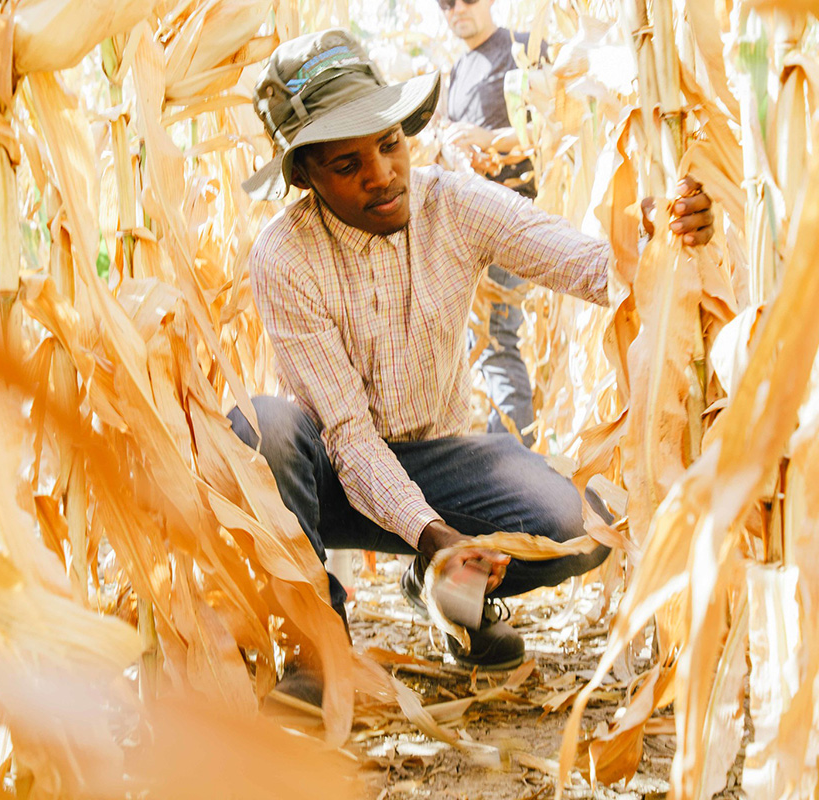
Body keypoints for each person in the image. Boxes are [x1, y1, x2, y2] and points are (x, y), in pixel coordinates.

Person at [235, 30, 714, 682]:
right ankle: (317, 640)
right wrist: (435, 538)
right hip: (326, 475)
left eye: (389, 143)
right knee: (263, 428)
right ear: (305, 177)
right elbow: (347, 435)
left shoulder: (453, 204)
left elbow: (593, 268)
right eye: (347, 166)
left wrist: (657, 237)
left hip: (438, 458)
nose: (381, 175)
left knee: (577, 526)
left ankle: (451, 598)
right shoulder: (285, 255)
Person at [439, 0, 543, 446]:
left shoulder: (520, 50)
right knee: (473, 348)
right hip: (466, 230)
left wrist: (487, 141)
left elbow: (550, 132)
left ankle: (516, 469)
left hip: (509, 223)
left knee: (498, 344)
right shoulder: (458, 69)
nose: (457, 8)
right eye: (445, 2)